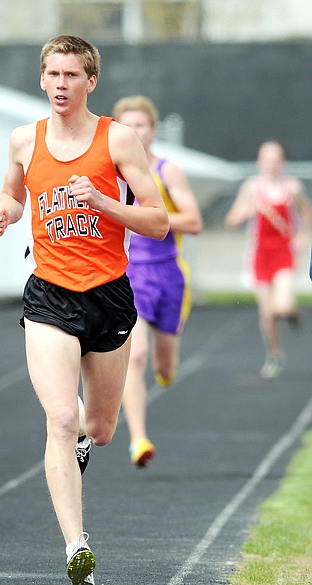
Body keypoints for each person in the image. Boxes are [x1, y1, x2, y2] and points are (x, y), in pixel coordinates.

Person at [0, 35, 169, 585]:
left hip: (109, 295)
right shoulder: (24, 140)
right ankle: (76, 545)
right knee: (61, 419)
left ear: (91, 81)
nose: (61, 85)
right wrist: (4, 214)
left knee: (100, 428)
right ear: (41, 80)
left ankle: (88, 441)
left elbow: (159, 220)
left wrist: (105, 202)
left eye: (72, 76)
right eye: (53, 75)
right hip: (49, 294)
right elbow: (14, 195)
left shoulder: (119, 139)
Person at [112, 96, 203, 467]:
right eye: (127, 125)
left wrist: (149, 215)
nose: (135, 132)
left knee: (164, 366)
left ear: (153, 130)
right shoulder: (110, 173)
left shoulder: (167, 171)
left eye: (142, 125)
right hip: (129, 273)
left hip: (167, 273)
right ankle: (138, 439)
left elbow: (194, 222)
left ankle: (166, 373)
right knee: (136, 355)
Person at [225, 140, 312, 379]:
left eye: (276, 160)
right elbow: (232, 220)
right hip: (259, 255)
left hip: (284, 253)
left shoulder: (292, 188)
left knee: (280, 306)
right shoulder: (252, 188)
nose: (271, 165)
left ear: (283, 162)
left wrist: (304, 236)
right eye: (267, 160)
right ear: (259, 162)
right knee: (268, 313)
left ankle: (291, 312)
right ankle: (275, 356)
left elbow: (306, 211)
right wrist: (246, 211)